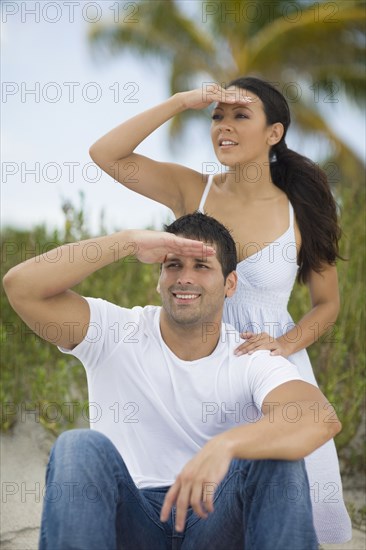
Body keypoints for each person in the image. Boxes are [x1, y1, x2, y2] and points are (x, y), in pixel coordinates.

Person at [89, 76, 352, 543]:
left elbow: (327, 304)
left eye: (240, 115)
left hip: (269, 368)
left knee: (277, 487)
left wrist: (284, 345)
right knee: (199, 492)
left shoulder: (304, 208)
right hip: (198, 360)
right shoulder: (194, 190)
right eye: (217, 117)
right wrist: (180, 101)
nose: (223, 127)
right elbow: (106, 155)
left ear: (274, 132)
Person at [4, 212, 341, 550]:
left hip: (214, 521)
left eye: (202, 266)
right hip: (132, 519)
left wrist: (226, 445)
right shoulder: (116, 331)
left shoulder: (251, 355)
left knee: (275, 460)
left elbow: (319, 418)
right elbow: (22, 287)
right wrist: (129, 241)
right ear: (159, 277)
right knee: (77, 447)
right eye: (174, 265)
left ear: (230, 284)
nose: (185, 278)